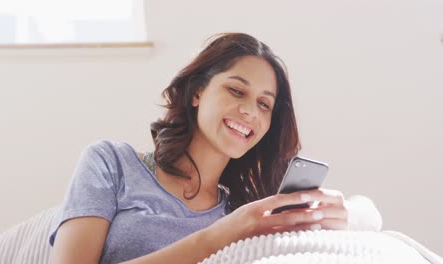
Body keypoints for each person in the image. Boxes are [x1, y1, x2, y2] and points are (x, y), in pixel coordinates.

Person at [49, 32, 382, 264]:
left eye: (264, 105)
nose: (250, 111)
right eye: (237, 91)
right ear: (197, 92)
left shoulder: (246, 210)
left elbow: (369, 213)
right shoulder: (112, 163)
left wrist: (344, 213)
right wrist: (219, 236)